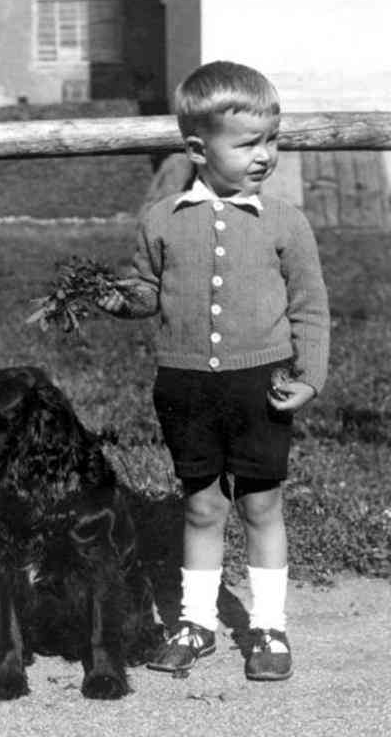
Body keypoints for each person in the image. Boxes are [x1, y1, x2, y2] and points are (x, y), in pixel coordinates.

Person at [98, 60, 329, 681]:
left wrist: (309, 377)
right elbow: (148, 290)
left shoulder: (287, 222)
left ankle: (269, 628)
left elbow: (311, 308)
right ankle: (196, 623)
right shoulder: (162, 219)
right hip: (185, 386)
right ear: (198, 149)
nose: (265, 155)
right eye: (248, 142)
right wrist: (119, 299)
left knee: (262, 505)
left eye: (272, 140)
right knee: (200, 507)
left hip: (263, 387)